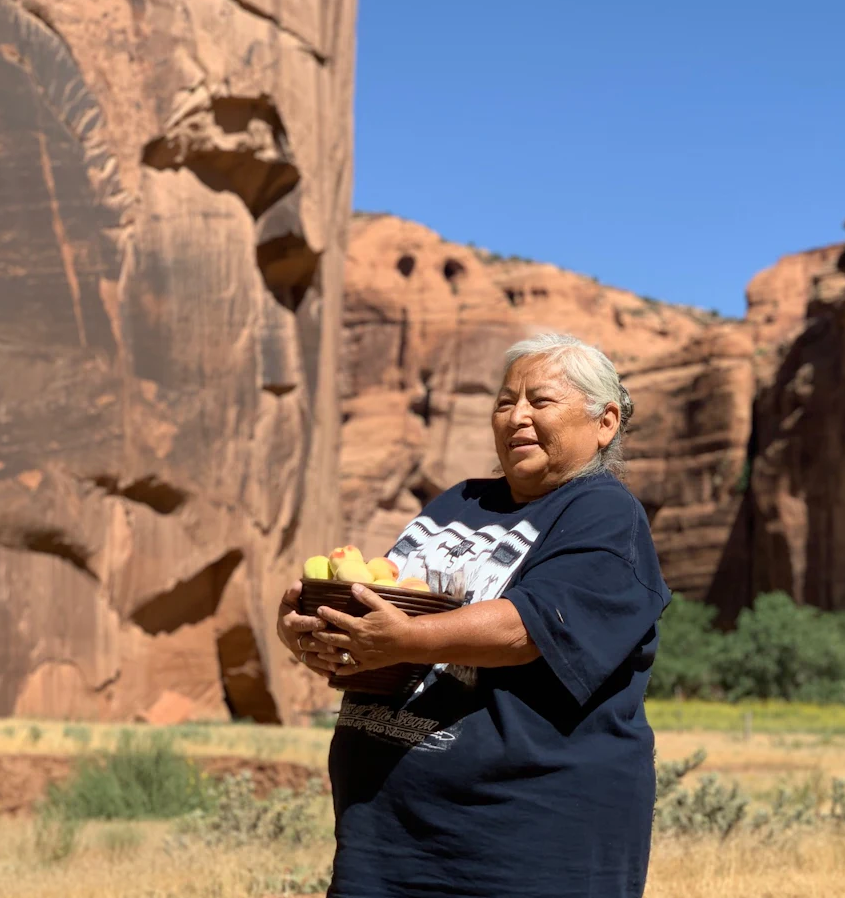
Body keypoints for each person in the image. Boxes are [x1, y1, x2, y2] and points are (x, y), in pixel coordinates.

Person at [275, 332, 671, 898]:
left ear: (604, 422)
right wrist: (312, 633)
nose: (517, 417)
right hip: (385, 834)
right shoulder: (459, 501)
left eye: (541, 401)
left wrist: (405, 637)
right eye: (506, 401)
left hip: (521, 843)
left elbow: (527, 627)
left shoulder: (604, 514)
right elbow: (380, 607)